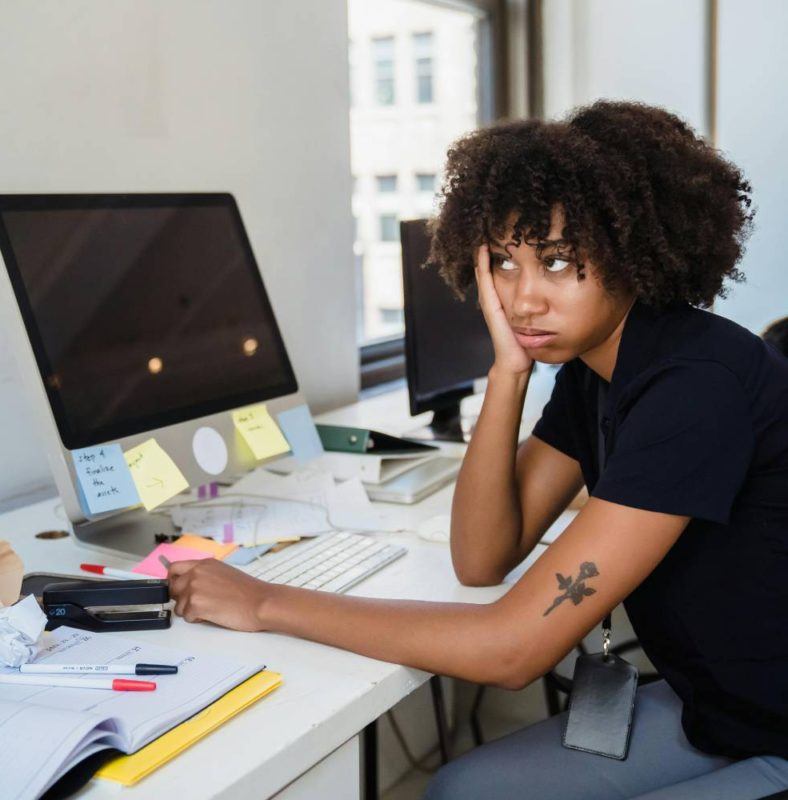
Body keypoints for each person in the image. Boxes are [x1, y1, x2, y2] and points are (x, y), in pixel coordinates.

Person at [167, 101, 788, 799]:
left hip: (775, 733)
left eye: (556, 262)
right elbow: (481, 556)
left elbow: (513, 649)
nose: (523, 299)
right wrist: (508, 374)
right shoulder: (601, 372)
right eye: (503, 262)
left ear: (631, 251)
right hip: (719, 709)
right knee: (463, 791)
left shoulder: (693, 388)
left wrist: (264, 603)